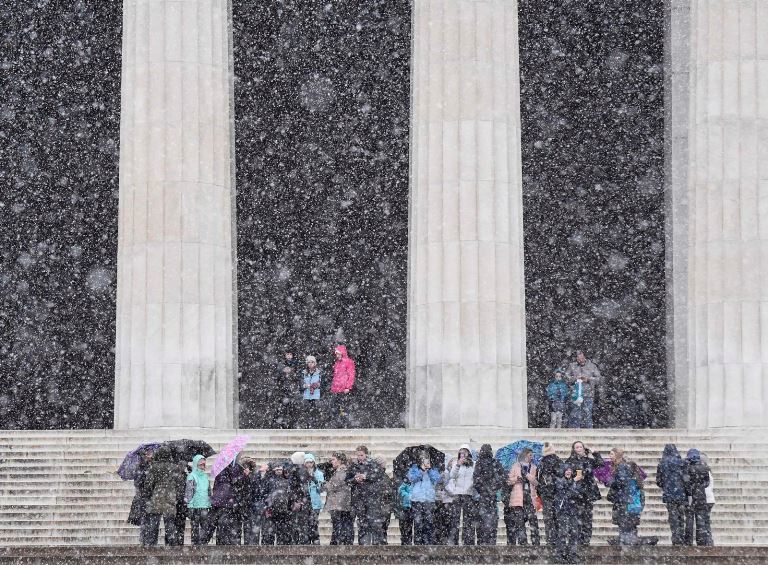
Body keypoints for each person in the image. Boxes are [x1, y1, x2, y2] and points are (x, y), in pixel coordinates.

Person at [141, 446, 186, 547]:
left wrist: (149, 495)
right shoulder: (175, 468)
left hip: (156, 499)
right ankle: (171, 546)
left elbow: (148, 485)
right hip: (170, 499)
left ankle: (151, 545)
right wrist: (177, 497)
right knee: (170, 525)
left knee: (153, 525)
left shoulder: (153, 467)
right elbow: (180, 485)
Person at [564, 441, 603, 546]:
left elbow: (600, 463)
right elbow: (565, 476)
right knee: (576, 519)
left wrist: (595, 452)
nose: (579, 448)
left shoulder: (589, 460)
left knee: (587, 518)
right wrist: (574, 478)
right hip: (575, 493)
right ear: (573, 449)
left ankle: (585, 540)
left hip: (588, 493)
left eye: (581, 446)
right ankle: (577, 540)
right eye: (577, 447)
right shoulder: (569, 461)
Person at [345, 445, 385, 545]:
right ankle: (363, 544)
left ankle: (375, 544)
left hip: (371, 497)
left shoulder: (373, 464)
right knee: (362, 522)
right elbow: (347, 481)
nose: (359, 457)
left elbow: (378, 476)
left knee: (373, 522)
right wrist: (355, 479)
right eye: (358, 455)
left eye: (361, 455)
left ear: (366, 455)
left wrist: (365, 477)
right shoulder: (353, 466)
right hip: (358, 498)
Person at [606, 448, 644, 545]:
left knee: (624, 523)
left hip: (623, 500)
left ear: (617, 455)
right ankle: (629, 542)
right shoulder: (622, 466)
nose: (610, 456)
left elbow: (621, 481)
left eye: (611, 454)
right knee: (629, 523)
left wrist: (611, 482)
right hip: (626, 500)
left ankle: (627, 543)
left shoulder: (621, 466)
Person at [210, 455, 248, 545]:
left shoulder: (238, 470)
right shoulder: (221, 473)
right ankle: (222, 547)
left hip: (233, 506)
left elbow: (241, 487)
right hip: (223, 505)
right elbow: (218, 488)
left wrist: (245, 476)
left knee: (232, 530)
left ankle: (230, 549)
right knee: (222, 528)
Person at [553, 462, 587, 563]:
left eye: (570, 470)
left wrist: (574, 484)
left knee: (574, 534)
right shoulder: (559, 481)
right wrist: (573, 482)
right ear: (563, 471)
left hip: (574, 511)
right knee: (562, 533)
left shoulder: (576, 482)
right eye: (566, 469)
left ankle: (572, 554)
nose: (568, 471)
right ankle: (560, 554)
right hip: (562, 511)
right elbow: (564, 492)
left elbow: (578, 494)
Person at [472, 444, 505, 545]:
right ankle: (490, 542)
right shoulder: (495, 463)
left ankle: (483, 542)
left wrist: (483, 489)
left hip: (484, 497)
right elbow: (502, 478)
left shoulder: (479, 463)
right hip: (491, 496)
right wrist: (493, 487)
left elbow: (476, 480)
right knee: (492, 520)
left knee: (484, 520)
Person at [506, 448, 540, 546]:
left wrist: (526, 474)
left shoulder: (533, 467)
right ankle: (523, 542)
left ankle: (536, 542)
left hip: (530, 496)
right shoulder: (515, 466)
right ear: (525, 455)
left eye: (532, 455)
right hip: (518, 497)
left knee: (533, 520)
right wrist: (516, 479)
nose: (532, 457)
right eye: (530, 455)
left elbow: (536, 482)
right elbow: (508, 481)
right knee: (519, 522)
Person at [655, 444, 687, 545]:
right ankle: (681, 536)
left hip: (669, 494)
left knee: (673, 516)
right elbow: (686, 479)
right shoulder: (682, 462)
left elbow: (659, 481)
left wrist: (666, 485)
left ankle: (676, 537)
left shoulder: (662, 463)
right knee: (681, 515)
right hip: (681, 494)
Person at [445, 445, 476, 545]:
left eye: (465, 452)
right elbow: (452, 476)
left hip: (468, 494)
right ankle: (454, 541)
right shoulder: (456, 464)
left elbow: (475, 477)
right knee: (455, 519)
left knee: (468, 520)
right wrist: (458, 465)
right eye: (461, 452)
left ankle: (468, 542)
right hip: (457, 494)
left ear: (469, 453)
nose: (463, 454)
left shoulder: (474, 464)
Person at [407, 454, 441, 545]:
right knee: (418, 524)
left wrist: (429, 470)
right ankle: (418, 545)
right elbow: (411, 478)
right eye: (423, 459)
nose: (425, 462)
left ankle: (428, 544)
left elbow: (437, 479)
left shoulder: (433, 469)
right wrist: (421, 470)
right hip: (417, 499)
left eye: (427, 460)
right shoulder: (414, 468)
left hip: (429, 500)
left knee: (428, 523)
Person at [683, 448, 712, 546]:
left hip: (690, 498)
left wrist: (691, 490)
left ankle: (688, 541)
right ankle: (701, 541)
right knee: (701, 521)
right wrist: (700, 487)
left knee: (689, 521)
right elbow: (707, 482)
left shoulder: (687, 467)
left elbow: (686, 482)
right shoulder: (704, 467)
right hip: (701, 496)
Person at [566, 350, 601, 428]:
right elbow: (566, 377)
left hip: (588, 394)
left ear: (584, 356)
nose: (580, 360)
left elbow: (598, 379)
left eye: (581, 357)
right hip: (576, 394)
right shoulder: (572, 366)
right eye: (578, 358)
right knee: (575, 414)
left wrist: (588, 379)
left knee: (587, 414)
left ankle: (588, 434)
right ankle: (575, 434)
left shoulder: (592, 366)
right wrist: (575, 378)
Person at [324, 452, 354, 545]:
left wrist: (323, 484)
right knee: (340, 526)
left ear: (340, 461)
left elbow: (333, 485)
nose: (331, 462)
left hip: (339, 504)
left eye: (333, 459)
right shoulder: (340, 471)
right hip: (340, 503)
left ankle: (339, 544)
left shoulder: (342, 471)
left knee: (339, 526)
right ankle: (342, 542)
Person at [536, 442, 562, 547]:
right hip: (558, 494)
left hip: (546, 495)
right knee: (558, 518)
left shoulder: (541, 463)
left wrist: (541, 491)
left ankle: (550, 540)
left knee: (548, 519)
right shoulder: (558, 461)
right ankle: (558, 540)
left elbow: (539, 480)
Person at [264, 461, 294, 545]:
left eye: (280, 469)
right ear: (273, 470)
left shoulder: (287, 481)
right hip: (271, 509)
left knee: (283, 533)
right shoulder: (269, 481)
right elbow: (264, 494)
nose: (278, 471)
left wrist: (289, 507)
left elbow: (290, 495)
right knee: (270, 533)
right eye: (276, 469)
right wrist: (267, 506)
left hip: (283, 510)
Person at [185, 454, 212, 545]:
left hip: (204, 506)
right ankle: (195, 547)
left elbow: (208, 490)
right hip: (195, 506)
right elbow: (189, 492)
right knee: (195, 528)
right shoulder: (191, 476)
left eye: (204, 464)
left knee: (205, 527)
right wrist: (190, 505)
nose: (203, 466)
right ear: (196, 464)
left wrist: (209, 502)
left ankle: (202, 544)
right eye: (201, 464)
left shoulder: (205, 476)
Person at [128, 447, 153, 541]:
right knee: (145, 520)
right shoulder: (140, 467)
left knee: (150, 521)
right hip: (143, 497)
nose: (151, 455)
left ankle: (148, 540)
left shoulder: (152, 466)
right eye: (149, 453)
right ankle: (144, 541)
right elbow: (137, 483)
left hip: (150, 497)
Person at [330, 345, 356, 427]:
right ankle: (338, 424)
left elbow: (351, 375)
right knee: (335, 407)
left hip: (344, 389)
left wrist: (348, 387)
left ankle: (345, 424)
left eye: (338, 353)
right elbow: (335, 376)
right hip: (336, 389)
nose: (337, 355)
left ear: (342, 353)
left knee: (344, 408)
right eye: (336, 354)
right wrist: (333, 388)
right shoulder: (337, 363)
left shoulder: (349, 362)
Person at [304, 453, 325, 544]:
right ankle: (307, 541)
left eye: (311, 462)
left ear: (314, 463)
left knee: (313, 523)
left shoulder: (319, 474)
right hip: (305, 503)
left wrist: (315, 480)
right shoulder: (302, 473)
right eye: (307, 462)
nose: (309, 464)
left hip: (315, 503)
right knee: (306, 524)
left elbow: (321, 490)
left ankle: (316, 540)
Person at [300, 356, 322, 429]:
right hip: (306, 396)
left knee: (315, 413)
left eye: (312, 362)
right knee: (306, 413)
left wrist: (319, 385)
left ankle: (316, 427)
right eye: (309, 362)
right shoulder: (304, 372)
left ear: (315, 363)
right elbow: (300, 384)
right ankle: (307, 427)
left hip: (316, 396)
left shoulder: (319, 372)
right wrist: (305, 385)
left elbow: (324, 383)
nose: (310, 364)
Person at [701, 453, 716, 546]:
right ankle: (708, 540)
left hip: (705, 499)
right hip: (710, 499)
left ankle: (707, 540)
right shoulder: (708, 471)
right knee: (706, 521)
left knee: (704, 521)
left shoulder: (703, 471)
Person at [397, 478, 413, 545]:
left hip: (411, 507)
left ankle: (408, 541)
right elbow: (400, 491)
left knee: (409, 526)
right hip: (404, 507)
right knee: (403, 526)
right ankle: (404, 541)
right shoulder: (403, 484)